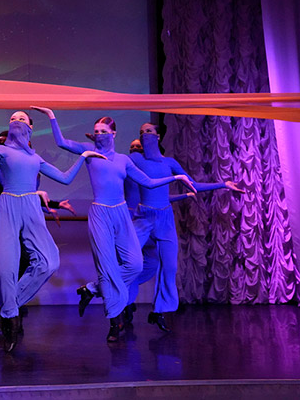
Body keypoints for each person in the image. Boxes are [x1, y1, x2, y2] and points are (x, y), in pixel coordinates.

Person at [30, 106, 195, 342]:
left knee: (135, 264)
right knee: (107, 269)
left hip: (121, 214)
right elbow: (61, 142)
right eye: (96, 131)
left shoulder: (124, 160)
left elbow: (148, 182)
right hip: (100, 214)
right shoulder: (89, 151)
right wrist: (51, 116)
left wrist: (176, 177)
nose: (99, 134)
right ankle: (114, 323)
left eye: (103, 131)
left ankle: (91, 289)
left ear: (113, 134)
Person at [0, 111, 105, 352]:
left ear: (30, 127)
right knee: (6, 269)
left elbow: (65, 179)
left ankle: (9, 307)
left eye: (21, 118)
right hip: (8, 205)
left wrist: (83, 156)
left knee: (49, 261)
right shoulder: (1, 150)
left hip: (30, 207)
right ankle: (10, 318)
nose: (16, 121)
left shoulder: (35, 158)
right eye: (13, 118)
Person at [122, 122, 243, 332]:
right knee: (131, 263)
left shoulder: (169, 162)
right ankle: (122, 302)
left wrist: (223, 184)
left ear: (158, 136)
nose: (144, 135)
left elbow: (193, 184)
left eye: (148, 131)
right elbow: (112, 163)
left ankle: (159, 311)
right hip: (142, 218)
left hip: (165, 219)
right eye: (141, 132)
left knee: (169, 266)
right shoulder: (135, 159)